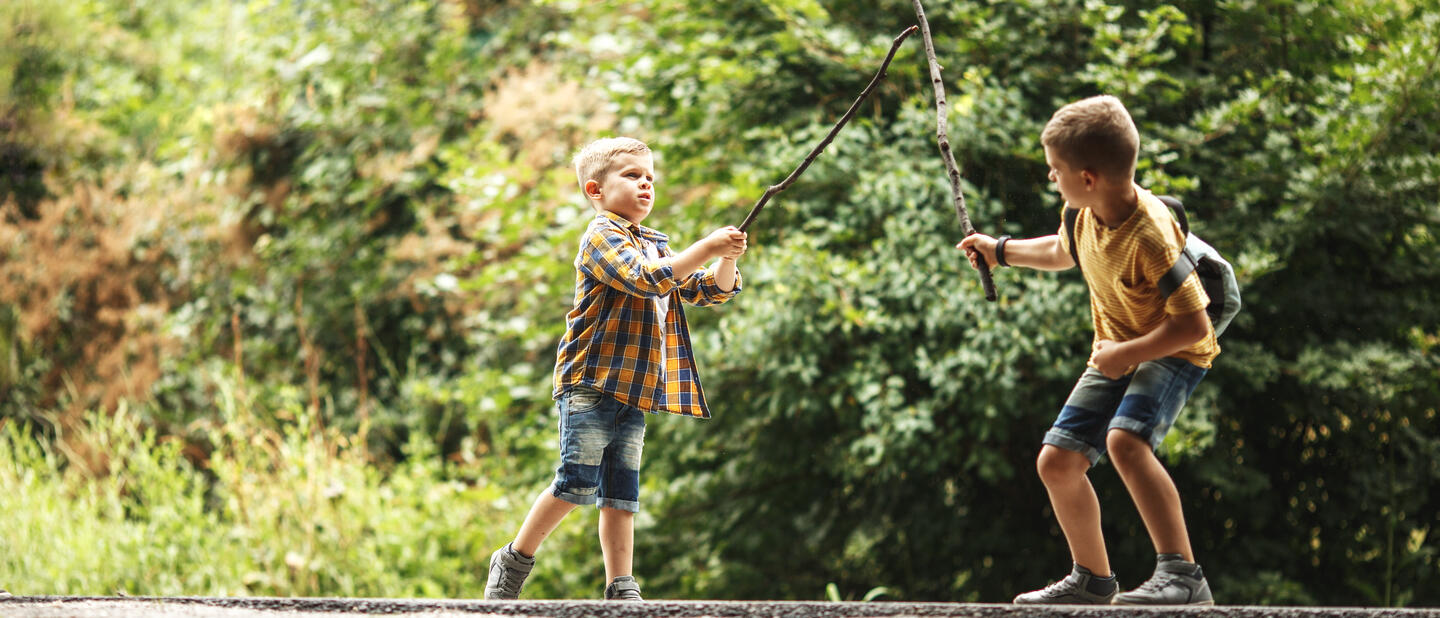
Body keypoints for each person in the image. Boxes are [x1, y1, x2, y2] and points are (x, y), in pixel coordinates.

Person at [958, 95, 1218, 606]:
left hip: (1172, 350)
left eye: (1057, 170)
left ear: (1089, 177)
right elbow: (1061, 251)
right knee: (1057, 461)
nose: (1052, 178)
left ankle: (1184, 577)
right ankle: (1093, 581)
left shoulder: (1151, 234)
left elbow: (1193, 323)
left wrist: (1126, 354)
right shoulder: (1082, 215)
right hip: (1118, 348)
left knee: (1125, 442)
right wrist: (999, 250)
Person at [484, 137, 747, 601]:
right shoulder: (602, 235)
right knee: (575, 482)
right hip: (590, 382)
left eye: (650, 178)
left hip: (636, 390)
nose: (645, 184)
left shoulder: (655, 243)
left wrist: (724, 258)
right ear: (596, 190)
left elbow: (709, 291)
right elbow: (647, 279)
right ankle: (513, 560)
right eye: (631, 175)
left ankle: (621, 585)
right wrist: (705, 245)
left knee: (621, 493)